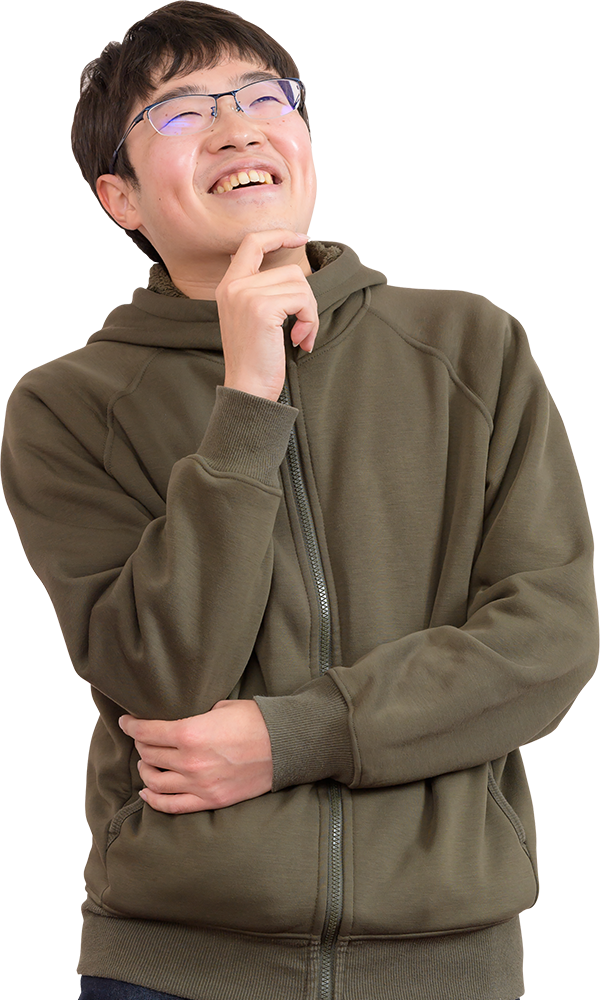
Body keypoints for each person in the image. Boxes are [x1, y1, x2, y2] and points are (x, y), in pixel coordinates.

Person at [1, 3, 597, 999]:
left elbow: (550, 633)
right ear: (121, 197)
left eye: (263, 97)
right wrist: (247, 396)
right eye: (182, 111)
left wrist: (300, 735)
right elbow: (162, 672)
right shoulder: (67, 408)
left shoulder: (467, 347)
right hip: (176, 967)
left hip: (444, 959)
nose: (237, 127)